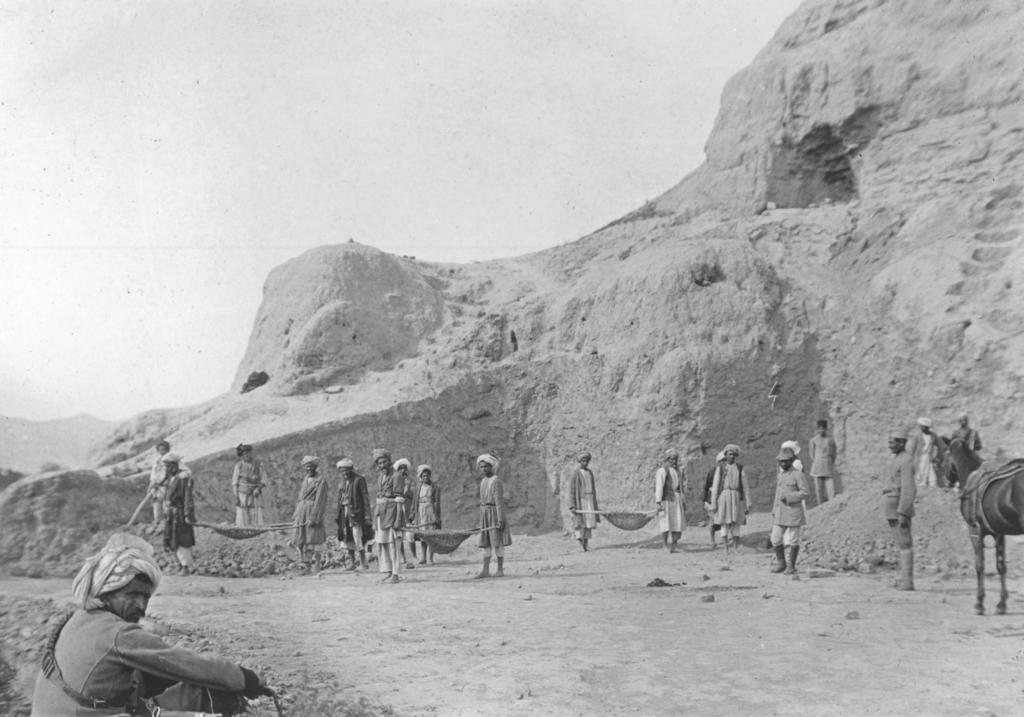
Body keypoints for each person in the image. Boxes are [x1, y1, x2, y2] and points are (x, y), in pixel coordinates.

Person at [30, 533, 266, 716]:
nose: (141, 606)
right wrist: (246, 679)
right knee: (211, 691)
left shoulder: (77, 619)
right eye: (133, 595)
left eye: (146, 597)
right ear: (108, 591)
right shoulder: (118, 633)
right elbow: (189, 663)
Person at [882, 425, 916, 590]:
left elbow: (909, 488)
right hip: (891, 504)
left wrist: (903, 511)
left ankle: (907, 582)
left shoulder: (906, 460)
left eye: (893, 442)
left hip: (898, 506)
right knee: (900, 543)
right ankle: (904, 580)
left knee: (905, 543)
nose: (889, 445)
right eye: (889, 442)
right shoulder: (895, 459)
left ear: (902, 443)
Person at [770, 446, 810, 575]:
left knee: (793, 540)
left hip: (793, 512)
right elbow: (777, 494)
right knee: (775, 538)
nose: (783, 463)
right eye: (781, 461)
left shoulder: (798, 474)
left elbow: (805, 492)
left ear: (791, 461)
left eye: (785, 461)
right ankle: (781, 563)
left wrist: (789, 497)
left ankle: (791, 566)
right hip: (780, 512)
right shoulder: (780, 475)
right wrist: (774, 510)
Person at [709, 444, 750, 554]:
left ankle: (735, 547)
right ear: (725, 455)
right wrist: (714, 503)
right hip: (724, 497)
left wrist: (748, 502)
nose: (732, 456)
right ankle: (725, 548)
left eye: (733, 454)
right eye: (729, 454)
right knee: (724, 522)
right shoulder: (720, 469)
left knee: (736, 523)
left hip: (736, 497)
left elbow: (745, 486)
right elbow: (715, 486)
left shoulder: (739, 468)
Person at [161, 453, 197, 575]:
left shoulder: (182, 478)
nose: (167, 469)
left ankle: (187, 566)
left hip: (180, 514)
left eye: (168, 466)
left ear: (175, 465)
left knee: (182, 539)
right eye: (166, 466)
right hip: (171, 514)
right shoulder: (171, 478)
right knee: (172, 539)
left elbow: (187, 497)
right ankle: (180, 565)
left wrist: (187, 514)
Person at [476, 453, 511, 578]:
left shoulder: (496, 481)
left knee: (497, 542)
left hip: (495, 514)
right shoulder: (483, 481)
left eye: (486, 466)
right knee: (486, 543)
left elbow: (499, 501)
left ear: (491, 467)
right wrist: (482, 518)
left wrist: (500, 519)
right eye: (481, 467)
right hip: (485, 514)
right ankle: (485, 570)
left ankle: (500, 570)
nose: (483, 469)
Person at [372, 449, 405, 584]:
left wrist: (398, 519)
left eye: (384, 462)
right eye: (379, 463)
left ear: (389, 461)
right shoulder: (381, 477)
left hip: (392, 513)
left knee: (393, 545)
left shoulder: (397, 476)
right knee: (383, 544)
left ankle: (396, 574)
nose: (382, 465)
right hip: (381, 513)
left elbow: (399, 499)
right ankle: (388, 571)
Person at [291, 455, 328, 572]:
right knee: (302, 539)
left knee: (315, 538)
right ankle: (307, 566)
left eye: (311, 466)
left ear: (315, 467)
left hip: (312, 511)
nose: (309, 469)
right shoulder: (305, 479)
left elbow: (320, 500)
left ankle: (317, 564)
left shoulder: (321, 480)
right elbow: (300, 497)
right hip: (302, 512)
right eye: (307, 467)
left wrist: (314, 517)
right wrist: (297, 513)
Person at [335, 458, 372, 570]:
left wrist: (367, 515)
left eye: (346, 470)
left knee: (357, 537)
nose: (344, 473)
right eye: (342, 471)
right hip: (345, 513)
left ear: (351, 469)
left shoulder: (359, 480)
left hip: (356, 513)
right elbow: (340, 498)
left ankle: (363, 563)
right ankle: (352, 563)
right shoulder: (342, 482)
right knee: (347, 538)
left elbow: (365, 497)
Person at [654, 448, 687, 554]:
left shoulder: (679, 471)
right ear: (667, 459)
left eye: (675, 459)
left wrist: (683, 500)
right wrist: (658, 501)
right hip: (666, 500)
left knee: (677, 522)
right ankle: (665, 545)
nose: (674, 461)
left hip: (677, 499)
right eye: (672, 459)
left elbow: (681, 488)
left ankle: (674, 545)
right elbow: (659, 487)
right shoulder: (662, 471)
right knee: (665, 522)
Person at [568, 451, 600, 552]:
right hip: (580, 501)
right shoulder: (576, 474)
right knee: (579, 522)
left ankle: (586, 544)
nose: (585, 463)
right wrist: (572, 505)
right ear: (579, 462)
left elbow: (593, 489)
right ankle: (580, 543)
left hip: (589, 499)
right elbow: (572, 491)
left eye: (586, 461)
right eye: (583, 461)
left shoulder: (589, 473)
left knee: (589, 522)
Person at [410, 464, 442, 564]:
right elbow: (414, 501)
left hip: (430, 512)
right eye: (423, 476)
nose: (425, 477)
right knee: (423, 536)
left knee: (431, 535)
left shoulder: (435, 487)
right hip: (421, 512)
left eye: (427, 475)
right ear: (420, 476)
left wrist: (436, 516)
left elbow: (436, 502)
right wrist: (412, 514)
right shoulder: (417, 487)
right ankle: (423, 557)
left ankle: (430, 557)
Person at [231, 443, 265, 527]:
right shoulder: (238, 466)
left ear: (251, 453)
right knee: (242, 515)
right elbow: (235, 483)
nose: (247, 455)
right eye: (245, 453)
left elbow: (264, 479)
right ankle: (243, 529)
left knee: (255, 514)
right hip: (242, 495)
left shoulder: (258, 464)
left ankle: (257, 529)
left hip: (255, 494)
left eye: (248, 453)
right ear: (242, 455)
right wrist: (237, 497)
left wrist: (258, 489)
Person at [808, 419, 839, 505]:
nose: (821, 430)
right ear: (817, 429)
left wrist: (829, 461)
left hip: (828, 467)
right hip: (817, 467)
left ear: (826, 429)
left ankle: (832, 505)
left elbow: (834, 453)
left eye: (823, 429)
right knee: (819, 490)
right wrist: (818, 460)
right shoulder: (813, 440)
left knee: (831, 490)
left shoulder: (830, 440)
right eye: (820, 429)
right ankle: (820, 507)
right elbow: (811, 454)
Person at [908, 417, 945, 488]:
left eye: (922, 426)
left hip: (929, 457)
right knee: (920, 474)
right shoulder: (917, 436)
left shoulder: (933, 436)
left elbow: (941, 446)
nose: (921, 427)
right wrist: (910, 460)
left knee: (932, 475)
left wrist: (938, 457)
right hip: (920, 458)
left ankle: (932, 488)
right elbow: (911, 449)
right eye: (920, 426)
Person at [703, 451, 725, 548]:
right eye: (722, 461)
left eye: (725, 460)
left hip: (724, 498)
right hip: (712, 498)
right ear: (718, 462)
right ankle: (712, 541)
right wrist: (705, 500)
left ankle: (724, 539)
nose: (724, 462)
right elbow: (706, 486)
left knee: (724, 519)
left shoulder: (727, 471)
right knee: (712, 520)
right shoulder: (712, 472)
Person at [147, 440, 171, 526]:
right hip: (157, 488)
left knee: (167, 507)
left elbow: (168, 474)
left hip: (167, 486)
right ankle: (158, 524)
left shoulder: (171, 460)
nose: (162, 452)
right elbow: (153, 474)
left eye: (164, 449)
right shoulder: (157, 461)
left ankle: (167, 525)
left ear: (168, 449)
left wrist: (160, 482)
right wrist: (151, 484)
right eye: (160, 450)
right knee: (156, 506)